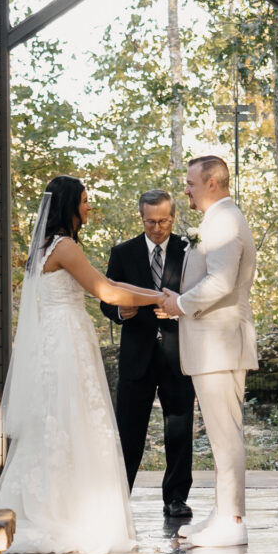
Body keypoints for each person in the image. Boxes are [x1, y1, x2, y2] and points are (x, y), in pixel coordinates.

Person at [0, 175, 160, 554]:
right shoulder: (64, 247)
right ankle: (68, 514)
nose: (88, 207)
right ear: (68, 205)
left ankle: (53, 502)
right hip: (66, 340)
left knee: (60, 422)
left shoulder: (46, 247)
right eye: (84, 200)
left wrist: (152, 295)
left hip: (61, 338)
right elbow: (106, 290)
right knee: (74, 420)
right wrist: (162, 298)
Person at [155, 155, 256, 547]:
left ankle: (232, 521)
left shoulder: (226, 220)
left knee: (226, 436)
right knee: (218, 435)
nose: (186, 189)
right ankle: (221, 513)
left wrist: (179, 304)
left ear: (213, 183)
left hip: (221, 344)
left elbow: (221, 282)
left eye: (192, 183)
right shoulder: (216, 220)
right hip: (213, 344)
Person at [103, 190, 196, 522]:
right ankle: (118, 497)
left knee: (180, 430)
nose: (157, 227)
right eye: (150, 221)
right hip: (136, 356)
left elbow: (199, 296)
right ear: (140, 217)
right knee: (128, 431)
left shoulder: (191, 250)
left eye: (164, 220)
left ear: (173, 216)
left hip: (178, 355)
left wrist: (182, 309)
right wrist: (119, 311)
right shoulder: (123, 253)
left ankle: (176, 499)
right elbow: (105, 300)